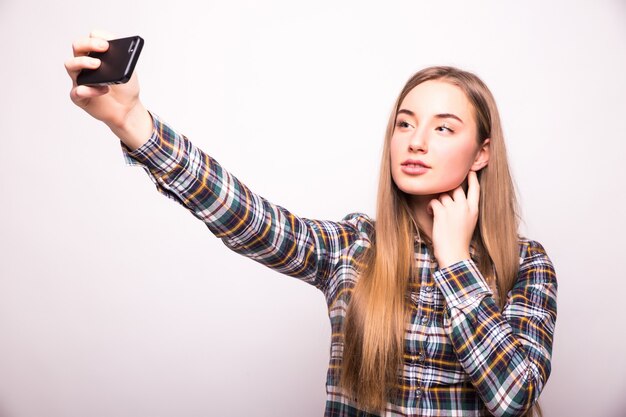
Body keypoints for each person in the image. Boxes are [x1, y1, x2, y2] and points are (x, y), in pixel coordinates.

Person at [65, 31, 557, 417]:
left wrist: (455, 265)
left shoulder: (527, 265)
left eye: (443, 127)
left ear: (482, 152)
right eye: (405, 123)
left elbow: (512, 397)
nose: (416, 141)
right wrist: (132, 121)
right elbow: (249, 218)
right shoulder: (355, 246)